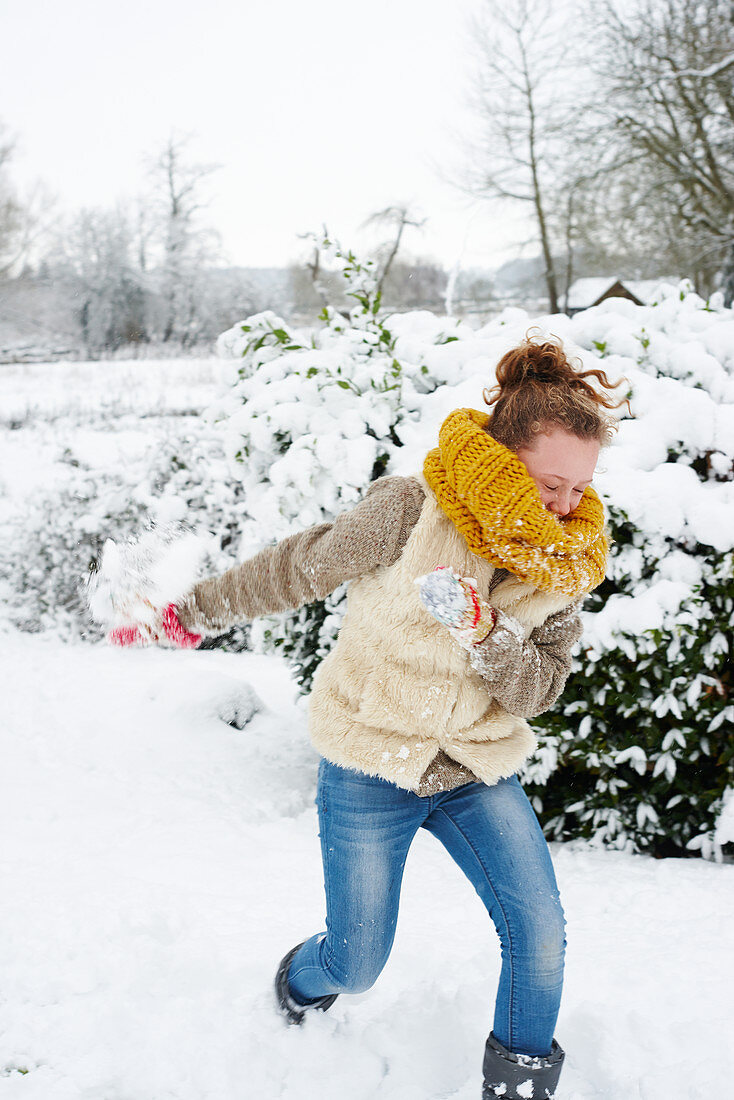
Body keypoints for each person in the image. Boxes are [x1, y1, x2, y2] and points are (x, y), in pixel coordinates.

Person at [119, 334, 624, 1100]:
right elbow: (300, 565)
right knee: (358, 961)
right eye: (552, 484)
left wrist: (485, 632)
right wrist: (191, 612)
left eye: (579, 489)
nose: (565, 508)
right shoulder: (411, 510)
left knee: (540, 936)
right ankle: (298, 984)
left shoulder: (565, 564)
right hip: (370, 763)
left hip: (473, 769)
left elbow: (536, 692)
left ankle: (518, 1088)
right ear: (501, 454)